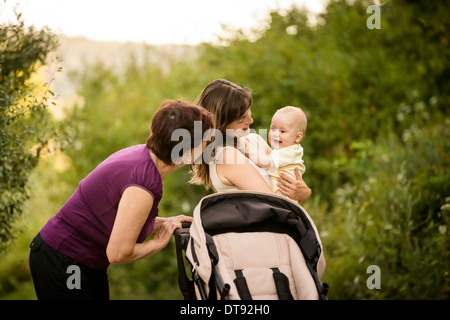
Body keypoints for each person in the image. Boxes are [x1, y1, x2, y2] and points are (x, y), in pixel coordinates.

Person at [29, 99, 215, 300]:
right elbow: (118, 253)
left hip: (77, 261)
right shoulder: (142, 185)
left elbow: (117, 221)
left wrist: (164, 223)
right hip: (66, 261)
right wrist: (158, 243)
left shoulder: (143, 157)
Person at [190, 79, 311, 203]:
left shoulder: (253, 140)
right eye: (242, 118)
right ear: (222, 123)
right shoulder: (226, 156)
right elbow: (276, 204)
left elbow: (285, 177)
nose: (251, 121)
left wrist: (304, 193)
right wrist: (304, 195)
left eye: (249, 112)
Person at [241, 106, 307, 201]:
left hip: (284, 196)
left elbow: (264, 162)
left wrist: (246, 148)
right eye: (273, 129)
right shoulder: (284, 150)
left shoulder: (290, 151)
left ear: (298, 137)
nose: (276, 134)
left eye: (282, 131)